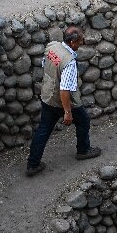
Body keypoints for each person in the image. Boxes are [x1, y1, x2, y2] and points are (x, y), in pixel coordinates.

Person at [25, 26, 101, 176]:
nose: (82, 43)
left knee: (43, 130)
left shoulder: (53, 47)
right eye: (80, 41)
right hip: (62, 102)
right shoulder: (69, 62)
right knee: (84, 120)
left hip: (47, 97)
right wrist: (67, 112)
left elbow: (44, 64)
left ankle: (32, 164)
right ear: (73, 43)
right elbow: (65, 90)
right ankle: (83, 150)